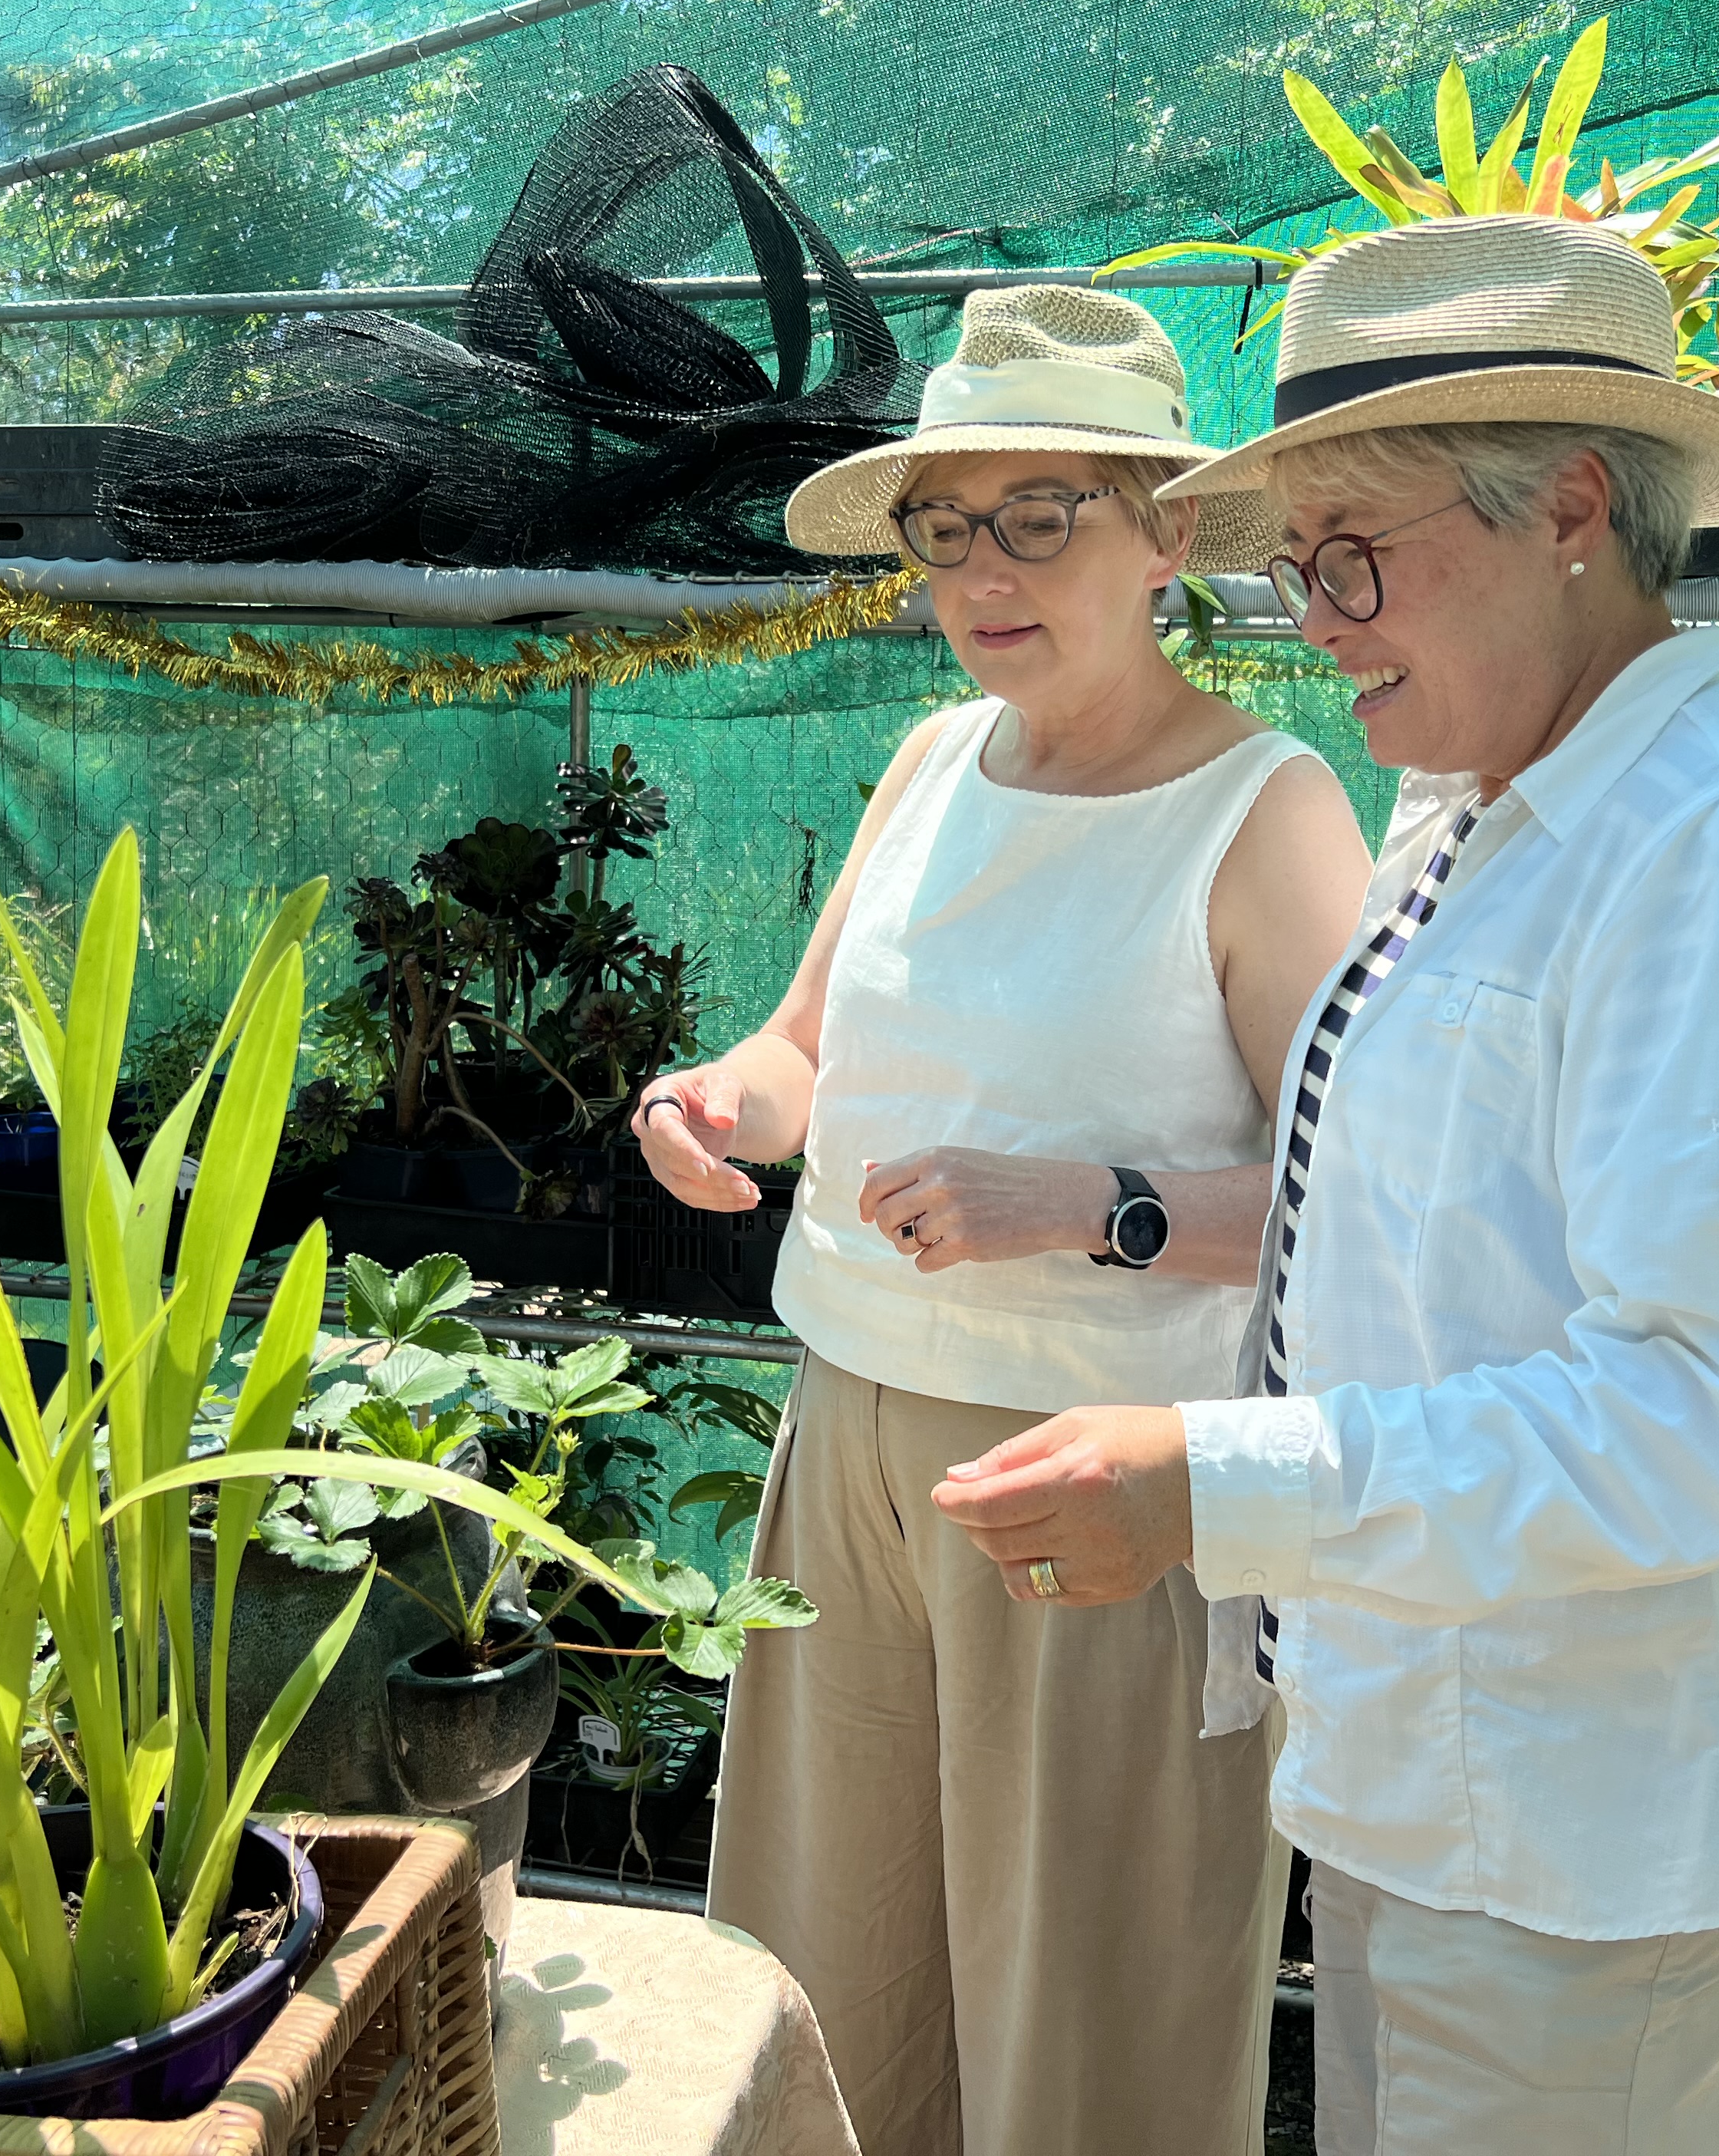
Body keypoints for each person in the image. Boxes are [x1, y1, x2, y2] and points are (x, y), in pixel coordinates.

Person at [929, 215, 1719, 2156]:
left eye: (1355, 556)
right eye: (1300, 566)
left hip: (1601, 1832)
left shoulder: (1714, 843)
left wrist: (1211, 1482)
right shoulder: (1488, 813)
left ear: (1570, 504)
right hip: (1441, 1775)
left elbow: (1692, 1413)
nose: (1316, 614)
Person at [627, 283, 1373, 2156]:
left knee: (1087, 2011)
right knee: (826, 1968)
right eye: (947, 525)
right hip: (848, 1437)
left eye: (1044, 513)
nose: (986, 569)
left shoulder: (1267, 810)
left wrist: (1082, 1208)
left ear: (1169, 531)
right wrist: (718, 1107)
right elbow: (805, 1052)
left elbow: (1367, 1206)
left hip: (1099, 1474)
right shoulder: (931, 762)